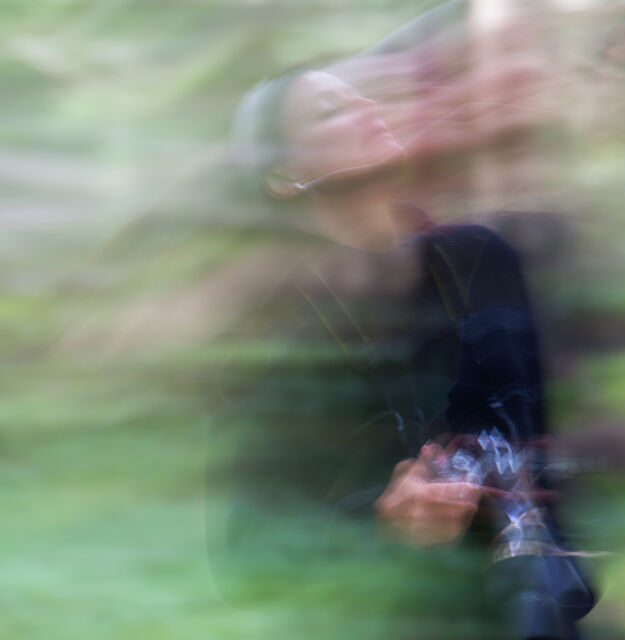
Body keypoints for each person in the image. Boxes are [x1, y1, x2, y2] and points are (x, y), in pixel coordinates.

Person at [219, 56, 595, 640]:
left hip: (530, 604)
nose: (367, 107)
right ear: (287, 176)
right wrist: (383, 520)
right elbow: (248, 553)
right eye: (330, 111)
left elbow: (534, 440)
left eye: (359, 96)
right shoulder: (280, 340)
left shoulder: (481, 260)